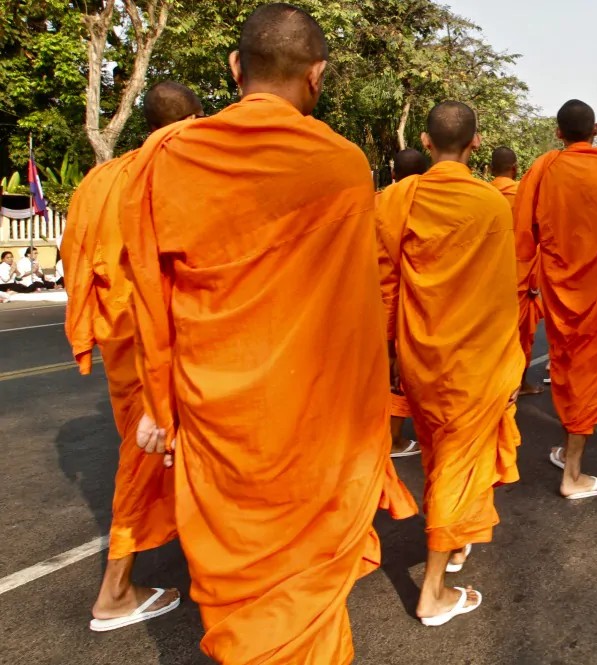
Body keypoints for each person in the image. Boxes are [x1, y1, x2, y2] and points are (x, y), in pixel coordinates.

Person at [119, 5, 418, 661]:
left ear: (234, 67)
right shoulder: (342, 166)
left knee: (244, 598)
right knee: (305, 598)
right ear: (317, 77)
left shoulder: (169, 158)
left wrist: (162, 411)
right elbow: (359, 311)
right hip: (315, 431)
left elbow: (150, 301)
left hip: (215, 420)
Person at [60, 81, 202, 633]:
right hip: (162, 338)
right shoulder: (174, 172)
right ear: (190, 120)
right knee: (147, 457)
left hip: (121, 335)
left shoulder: (100, 179)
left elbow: (78, 255)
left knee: (159, 453)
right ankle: (115, 590)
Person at [375, 101, 522, 625]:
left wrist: (389, 352)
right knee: (456, 460)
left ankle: (455, 540)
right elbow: (504, 294)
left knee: (442, 452)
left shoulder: (396, 199)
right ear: (476, 143)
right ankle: (432, 592)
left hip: (420, 355)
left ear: (426, 139)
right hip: (478, 361)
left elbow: (384, 286)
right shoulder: (493, 204)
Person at [514, 99, 597, 500]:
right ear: (596, 131)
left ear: (558, 132)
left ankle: (570, 453)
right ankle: (573, 474)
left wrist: (522, 283)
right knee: (586, 374)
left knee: (569, 369)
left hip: (562, 291)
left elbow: (522, 235)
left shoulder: (545, 167)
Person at [491, 146, 544, 397]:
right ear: (515, 168)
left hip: (488, 277)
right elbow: (535, 240)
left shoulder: (482, 195)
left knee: (491, 337)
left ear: (490, 170)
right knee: (522, 336)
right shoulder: (524, 197)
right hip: (520, 278)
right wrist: (535, 279)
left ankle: (493, 383)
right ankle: (519, 382)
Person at [386, 147, 428, 459]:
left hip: (366, 299)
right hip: (407, 302)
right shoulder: (429, 205)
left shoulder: (376, 203)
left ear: (392, 175)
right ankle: (394, 439)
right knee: (397, 374)